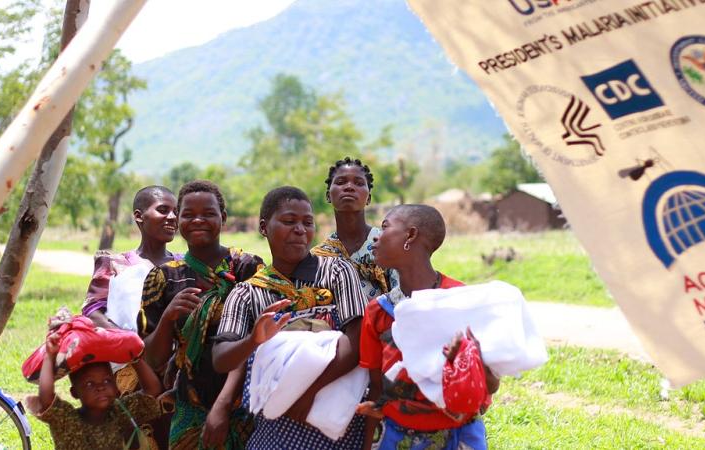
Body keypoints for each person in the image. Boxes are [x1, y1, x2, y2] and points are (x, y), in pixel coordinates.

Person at [212, 186, 368, 450]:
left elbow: (358, 340)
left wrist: (307, 394)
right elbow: (221, 358)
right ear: (264, 227)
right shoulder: (248, 293)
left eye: (308, 223)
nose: (300, 230)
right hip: (277, 423)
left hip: (337, 421)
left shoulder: (337, 272)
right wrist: (253, 340)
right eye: (288, 221)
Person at [356, 204, 500, 450]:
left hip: (459, 437)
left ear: (410, 236)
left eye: (385, 227)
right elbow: (378, 389)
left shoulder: (459, 300)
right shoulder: (378, 311)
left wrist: (467, 360)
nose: (376, 238)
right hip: (397, 437)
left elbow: (492, 385)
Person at [139, 180, 263, 449]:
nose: (198, 220)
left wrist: (223, 405)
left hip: (246, 405)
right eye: (188, 214)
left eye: (208, 213)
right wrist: (168, 318)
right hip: (189, 406)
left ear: (223, 218)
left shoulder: (247, 269)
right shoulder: (164, 277)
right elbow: (151, 357)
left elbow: (259, 343)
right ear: (178, 220)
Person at [25, 331, 164, 450]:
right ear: (74, 393)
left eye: (106, 381)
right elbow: (46, 399)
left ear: (116, 387)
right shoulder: (67, 420)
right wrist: (49, 357)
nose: (100, 387)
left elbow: (153, 390)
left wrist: (135, 359)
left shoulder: (121, 412)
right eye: (90, 384)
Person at [82, 185, 180, 329]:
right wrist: (128, 341)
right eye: (163, 210)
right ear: (139, 216)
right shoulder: (114, 264)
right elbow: (92, 311)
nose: (172, 217)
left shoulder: (184, 264)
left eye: (176, 212)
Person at [312, 157, 398, 299]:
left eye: (358, 183)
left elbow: (403, 295)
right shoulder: (318, 256)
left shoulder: (388, 243)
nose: (349, 187)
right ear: (328, 196)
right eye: (340, 182)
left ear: (368, 198)